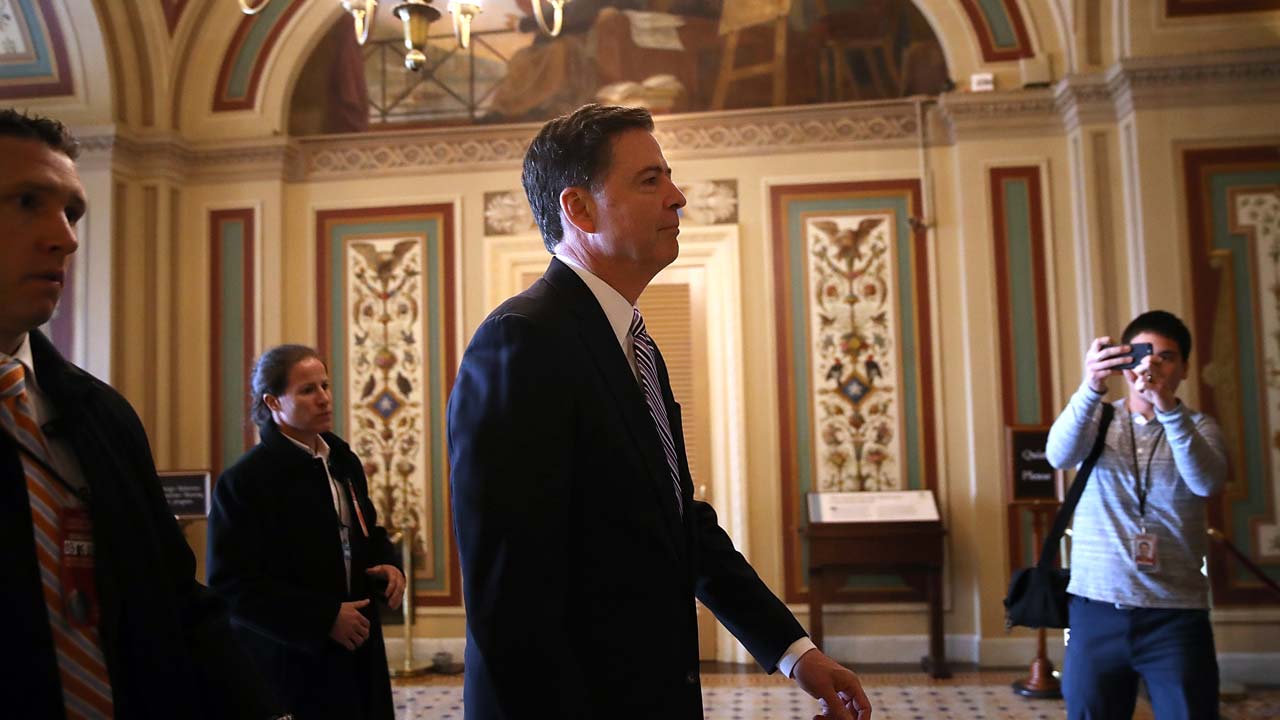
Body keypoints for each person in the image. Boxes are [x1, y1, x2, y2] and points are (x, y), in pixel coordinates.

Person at [447, 103, 872, 720]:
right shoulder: (521, 340)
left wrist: (794, 652)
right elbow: (508, 590)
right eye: (650, 180)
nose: (678, 197)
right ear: (579, 209)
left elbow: (679, 525)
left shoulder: (634, 344)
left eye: (669, 178)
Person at [0, 109, 285, 718]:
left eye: (72, 212)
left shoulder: (102, 416)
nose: (66, 238)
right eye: (27, 202)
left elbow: (176, 600)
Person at [208, 344, 407, 720]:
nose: (324, 398)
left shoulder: (343, 460)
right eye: (307, 390)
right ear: (272, 402)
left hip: (360, 652)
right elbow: (232, 586)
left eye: (325, 386)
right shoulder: (244, 482)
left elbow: (366, 529)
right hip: (293, 662)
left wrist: (388, 563)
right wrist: (323, 618)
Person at [1046, 310, 1227, 719]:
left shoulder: (1199, 427)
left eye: (1167, 357)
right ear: (1124, 362)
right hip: (1095, 607)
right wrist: (1091, 386)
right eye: (1144, 354)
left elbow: (1206, 483)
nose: (1152, 366)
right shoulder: (1097, 419)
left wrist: (1166, 408)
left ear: (1184, 368)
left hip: (1175, 614)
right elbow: (1058, 455)